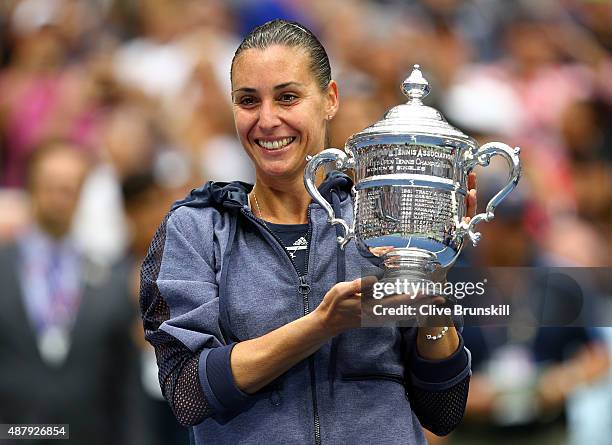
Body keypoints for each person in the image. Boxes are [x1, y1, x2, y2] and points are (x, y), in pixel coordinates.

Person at [140, 19, 475, 444]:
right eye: (248, 100)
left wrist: (433, 294)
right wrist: (321, 325)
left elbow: (442, 410)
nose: (267, 119)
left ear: (330, 99)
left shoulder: (382, 218)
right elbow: (187, 393)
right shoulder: (195, 228)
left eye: (287, 97)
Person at [0, 142, 147, 444]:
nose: (60, 196)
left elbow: (126, 383)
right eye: (50, 184)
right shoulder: (4, 264)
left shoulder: (109, 278)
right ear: (30, 187)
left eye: (71, 187)